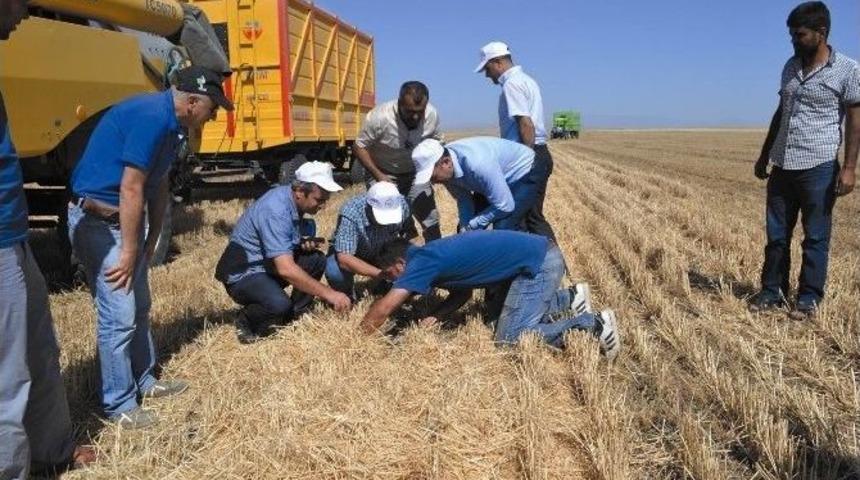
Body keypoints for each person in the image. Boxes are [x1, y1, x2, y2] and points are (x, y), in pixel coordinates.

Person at [67, 65, 233, 428]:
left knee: (140, 306)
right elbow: (130, 187)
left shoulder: (174, 129)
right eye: (213, 108)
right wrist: (129, 252)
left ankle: (144, 382)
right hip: (96, 222)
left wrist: (152, 236)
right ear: (192, 102)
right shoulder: (152, 119)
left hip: (122, 224)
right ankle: (119, 405)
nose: (214, 115)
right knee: (119, 316)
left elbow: (156, 186)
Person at [1, 2, 96, 477]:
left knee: (40, 350)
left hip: (13, 232)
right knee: (6, 377)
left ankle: (51, 452)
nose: (25, 14)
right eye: (18, 1)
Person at [751, 1, 860, 319]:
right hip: (783, 165)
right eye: (791, 34)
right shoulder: (790, 66)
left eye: (799, 34)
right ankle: (772, 292)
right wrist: (765, 153)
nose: (793, 40)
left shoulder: (848, 70)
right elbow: (781, 111)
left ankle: (809, 298)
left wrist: (850, 168)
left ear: (821, 33)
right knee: (776, 238)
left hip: (819, 166)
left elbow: (855, 120)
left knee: (815, 237)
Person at [360, 231, 620, 359]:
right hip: (539, 255)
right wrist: (438, 317)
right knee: (495, 321)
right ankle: (570, 299)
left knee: (509, 337)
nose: (392, 280)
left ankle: (593, 326)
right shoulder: (429, 256)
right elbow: (463, 293)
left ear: (399, 264)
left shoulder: (420, 263)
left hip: (539, 264)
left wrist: (357, 341)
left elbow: (384, 309)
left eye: (389, 274)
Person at [216, 161, 351, 344]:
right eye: (319, 200)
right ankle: (246, 319)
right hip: (243, 274)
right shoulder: (276, 210)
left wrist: (300, 243)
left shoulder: (291, 201)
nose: (323, 206)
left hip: (264, 265)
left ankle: (293, 316)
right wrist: (330, 294)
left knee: (316, 260)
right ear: (299, 192)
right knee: (279, 305)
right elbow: (286, 269)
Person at [475, 41, 556, 241]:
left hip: (529, 155)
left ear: (498, 62)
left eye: (487, 68)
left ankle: (549, 265)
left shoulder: (512, 84)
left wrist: (524, 161)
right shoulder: (526, 80)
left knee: (516, 219)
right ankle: (556, 267)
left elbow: (526, 124)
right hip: (538, 153)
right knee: (532, 217)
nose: (487, 74)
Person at [354, 81, 442, 242]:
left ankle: (438, 254)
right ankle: (396, 256)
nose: (415, 117)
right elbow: (360, 146)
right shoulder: (379, 117)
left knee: (430, 218)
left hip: (415, 173)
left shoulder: (432, 115)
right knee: (388, 219)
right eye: (409, 112)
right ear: (399, 104)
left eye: (419, 112)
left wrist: (432, 169)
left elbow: (437, 143)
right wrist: (379, 175)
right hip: (382, 171)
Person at [412, 136, 555, 236]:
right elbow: (464, 199)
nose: (433, 182)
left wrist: (474, 224)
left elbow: (506, 206)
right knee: (464, 230)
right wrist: (465, 227)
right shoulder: (448, 172)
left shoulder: (478, 165)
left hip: (527, 171)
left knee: (504, 227)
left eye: (432, 176)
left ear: (445, 162)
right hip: (496, 178)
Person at [325, 181, 411, 301]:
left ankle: (389, 289)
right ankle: (347, 296)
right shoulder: (351, 212)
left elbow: (407, 236)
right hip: (355, 253)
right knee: (334, 270)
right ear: (369, 207)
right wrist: (382, 274)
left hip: (384, 251)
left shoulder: (402, 204)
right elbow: (344, 258)